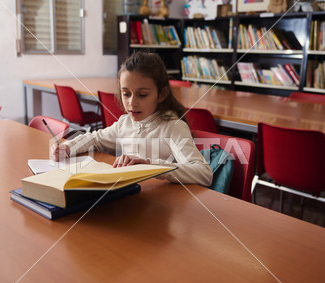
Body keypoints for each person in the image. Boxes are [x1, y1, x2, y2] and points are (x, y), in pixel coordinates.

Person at [51, 52, 212, 187]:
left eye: (142, 95)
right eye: (126, 93)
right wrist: (68, 147)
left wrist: (151, 166)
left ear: (161, 95)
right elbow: (95, 139)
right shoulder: (125, 123)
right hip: (133, 196)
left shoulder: (173, 127)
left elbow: (204, 174)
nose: (132, 103)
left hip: (164, 206)